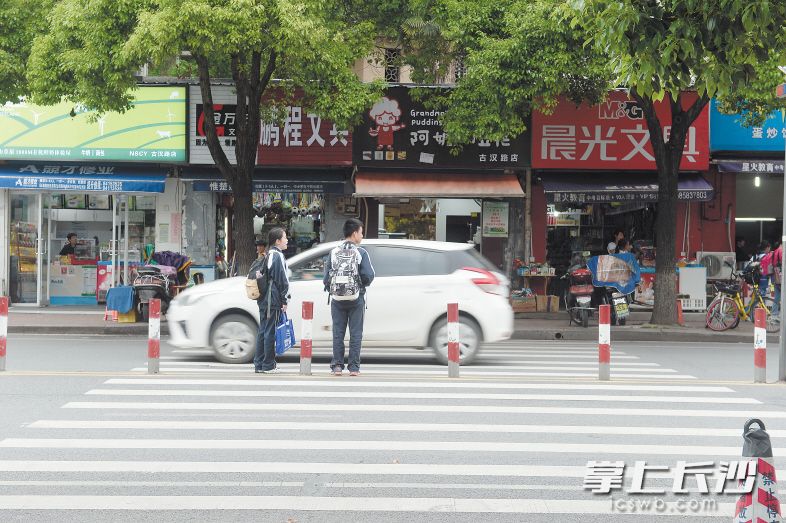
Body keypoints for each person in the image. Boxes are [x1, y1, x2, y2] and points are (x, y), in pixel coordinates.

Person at [323, 218, 375, 376]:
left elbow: (326, 278)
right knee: (356, 333)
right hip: (356, 298)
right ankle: (353, 368)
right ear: (354, 234)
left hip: (337, 299)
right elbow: (369, 275)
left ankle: (337, 366)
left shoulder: (333, 252)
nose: (362, 235)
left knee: (338, 332)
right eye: (361, 232)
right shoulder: (361, 252)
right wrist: (359, 286)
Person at [251, 227, 289, 374]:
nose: (287, 240)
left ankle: (259, 364)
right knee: (269, 332)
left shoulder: (268, 254)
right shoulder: (277, 256)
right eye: (285, 237)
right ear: (278, 241)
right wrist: (284, 300)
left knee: (263, 331)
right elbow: (282, 280)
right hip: (271, 300)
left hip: (264, 298)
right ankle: (268, 365)